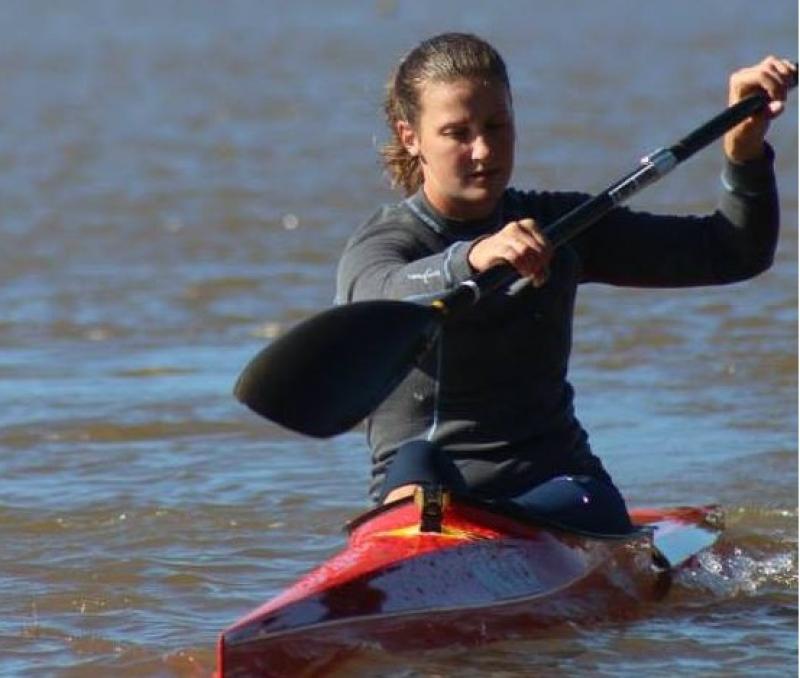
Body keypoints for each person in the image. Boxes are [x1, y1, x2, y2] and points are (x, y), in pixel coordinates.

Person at [335, 33, 795, 534]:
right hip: (425, 494)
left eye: (496, 125)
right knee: (418, 460)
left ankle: (501, 528)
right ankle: (453, 530)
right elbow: (374, 292)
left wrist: (745, 153)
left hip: (559, 491)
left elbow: (733, 253)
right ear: (411, 137)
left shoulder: (560, 226)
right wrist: (471, 257)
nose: (483, 149)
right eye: (457, 133)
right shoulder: (385, 241)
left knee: (586, 496)